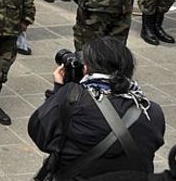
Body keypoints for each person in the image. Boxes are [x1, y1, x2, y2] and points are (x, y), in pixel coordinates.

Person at [28, 37, 165, 179]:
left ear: (86, 68)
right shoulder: (152, 111)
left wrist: (60, 90)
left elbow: (41, 136)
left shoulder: (73, 100)